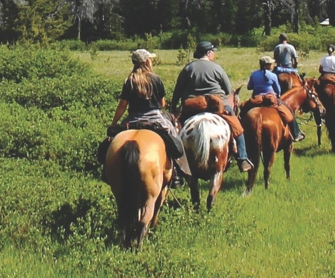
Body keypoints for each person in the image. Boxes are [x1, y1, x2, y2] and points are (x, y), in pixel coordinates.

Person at [173, 41, 254, 172]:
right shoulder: (217, 68)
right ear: (209, 53)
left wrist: (173, 108)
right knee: (237, 127)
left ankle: (176, 164)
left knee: (176, 130)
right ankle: (242, 158)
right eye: (213, 51)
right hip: (217, 105)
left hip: (193, 105)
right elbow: (228, 90)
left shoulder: (188, 68)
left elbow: (178, 90)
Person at [109, 49, 190, 180]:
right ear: (146, 61)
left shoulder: (129, 80)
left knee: (111, 142)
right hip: (155, 118)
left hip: (133, 118)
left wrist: (114, 124)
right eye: (150, 59)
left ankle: (107, 171)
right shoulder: (155, 79)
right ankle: (177, 172)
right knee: (174, 138)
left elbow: (122, 106)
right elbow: (162, 103)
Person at [245, 55, 303, 142]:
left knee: (243, 111)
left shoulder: (254, 74)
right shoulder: (273, 75)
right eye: (271, 64)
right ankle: (295, 134)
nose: (273, 65)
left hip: (256, 98)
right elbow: (278, 90)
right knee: (289, 111)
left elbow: (249, 87)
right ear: (267, 65)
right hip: (270, 99)